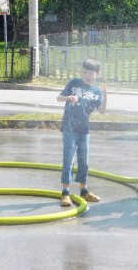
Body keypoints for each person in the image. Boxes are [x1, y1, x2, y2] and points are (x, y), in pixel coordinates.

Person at [57, 58, 107, 207]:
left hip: (84, 130)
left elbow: (102, 111)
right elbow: (59, 97)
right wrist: (67, 97)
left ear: (97, 73)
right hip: (69, 128)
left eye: (90, 72)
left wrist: (106, 95)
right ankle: (65, 193)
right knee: (69, 160)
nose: (87, 75)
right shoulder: (74, 83)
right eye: (85, 72)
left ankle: (84, 191)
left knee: (84, 161)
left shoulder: (97, 91)